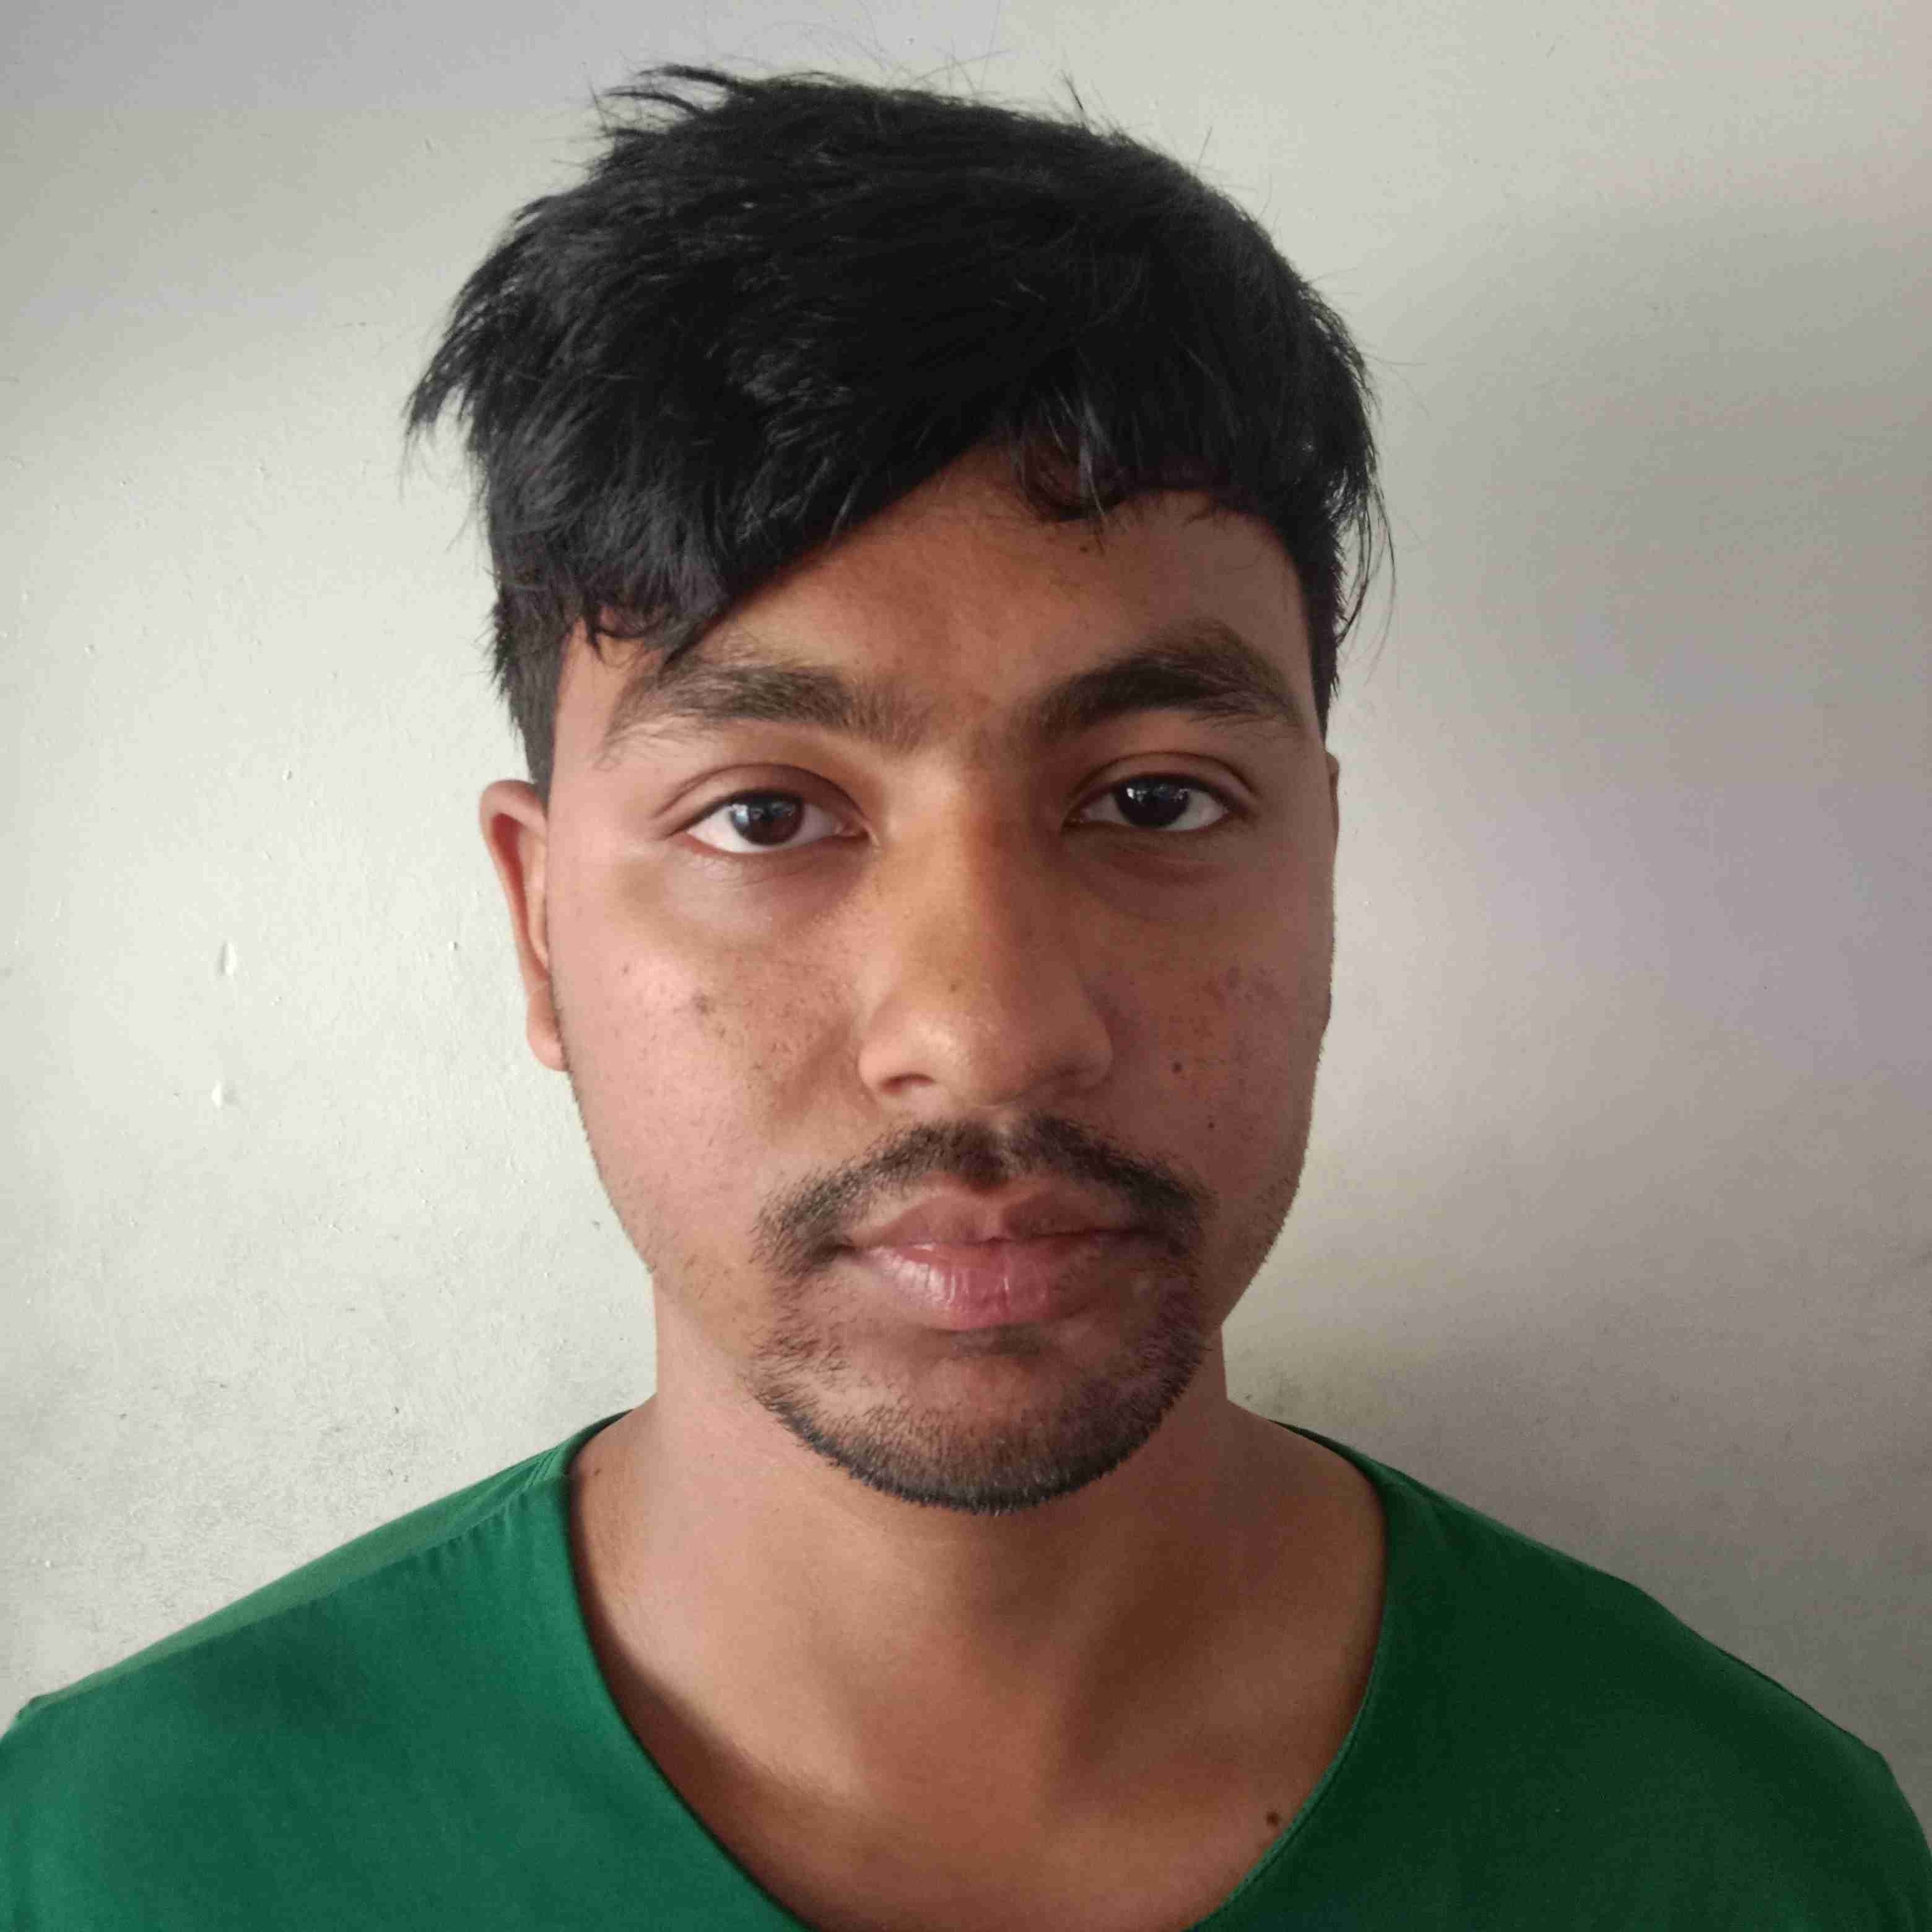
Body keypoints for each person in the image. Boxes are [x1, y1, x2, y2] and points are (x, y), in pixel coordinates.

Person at [4, 61, 1927, 1930]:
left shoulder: (1759, 1865)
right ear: (539, 932)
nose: (991, 1035)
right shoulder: (111, 1864)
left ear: (1321, 875)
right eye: (766, 814)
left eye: (1157, 799)